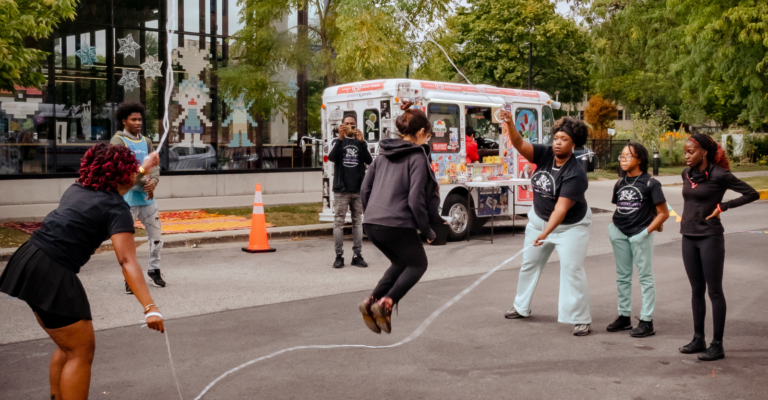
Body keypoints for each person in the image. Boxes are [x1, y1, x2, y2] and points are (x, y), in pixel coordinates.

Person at [0, 144, 164, 400]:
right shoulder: (116, 209)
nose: (135, 172)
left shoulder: (78, 188)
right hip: (52, 271)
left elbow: (122, 184)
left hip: (29, 258)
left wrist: (146, 166)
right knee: (80, 352)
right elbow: (126, 261)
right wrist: (149, 307)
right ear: (121, 173)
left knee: (67, 347)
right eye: (132, 169)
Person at [499, 112, 594, 336]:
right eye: (557, 138)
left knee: (572, 269)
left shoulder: (576, 173)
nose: (558, 143)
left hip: (570, 228)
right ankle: (521, 307)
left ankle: (581, 318)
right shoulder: (544, 154)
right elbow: (519, 143)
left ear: (574, 144)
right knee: (528, 265)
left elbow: (561, 210)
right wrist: (510, 123)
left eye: (564, 140)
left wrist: (546, 234)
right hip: (539, 221)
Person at [358, 101, 443, 334]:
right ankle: (387, 303)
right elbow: (415, 199)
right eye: (428, 136)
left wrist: (372, 214)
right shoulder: (417, 157)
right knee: (418, 265)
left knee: (400, 263)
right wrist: (427, 231)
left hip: (373, 222)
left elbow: (365, 190)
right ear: (420, 133)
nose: (428, 141)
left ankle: (371, 302)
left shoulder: (382, 155)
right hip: (397, 223)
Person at [678, 133, 758, 361]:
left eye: (691, 152)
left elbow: (751, 193)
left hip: (710, 238)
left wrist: (723, 206)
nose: (686, 156)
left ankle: (717, 344)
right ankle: (698, 339)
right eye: (685, 152)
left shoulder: (719, 174)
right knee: (696, 291)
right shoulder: (686, 174)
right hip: (688, 237)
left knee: (714, 292)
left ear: (703, 151)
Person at [606, 143, 669, 337]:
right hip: (619, 233)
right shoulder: (620, 183)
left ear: (639, 159)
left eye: (628, 156)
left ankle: (646, 320)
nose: (623, 159)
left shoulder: (651, 183)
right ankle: (624, 316)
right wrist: (614, 228)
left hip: (640, 234)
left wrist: (645, 232)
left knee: (645, 277)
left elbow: (663, 213)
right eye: (621, 156)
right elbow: (620, 207)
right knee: (622, 277)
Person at [110, 102, 165, 294]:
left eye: (140, 119)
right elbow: (120, 170)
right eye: (134, 119)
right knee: (127, 244)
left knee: (157, 238)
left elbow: (155, 164)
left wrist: (154, 181)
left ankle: (154, 269)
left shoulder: (147, 141)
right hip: (127, 201)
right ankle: (129, 278)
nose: (138, 122)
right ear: (124, 121)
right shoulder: (118, 142)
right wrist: (144, 182)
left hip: (148, 200)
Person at [328, 116, 373, 269]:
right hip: (342, 189)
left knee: (358, 222)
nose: (349, 126)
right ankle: (339, 255)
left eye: (352, 124)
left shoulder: (360, 142)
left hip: (358, 189)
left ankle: (357, 255)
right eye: (346, 124)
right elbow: (332, 158)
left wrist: (362, 143)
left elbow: (369, 161)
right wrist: (340, 138)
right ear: (342, 126)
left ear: (356, 126)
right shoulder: (337, 142)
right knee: (338, 222)